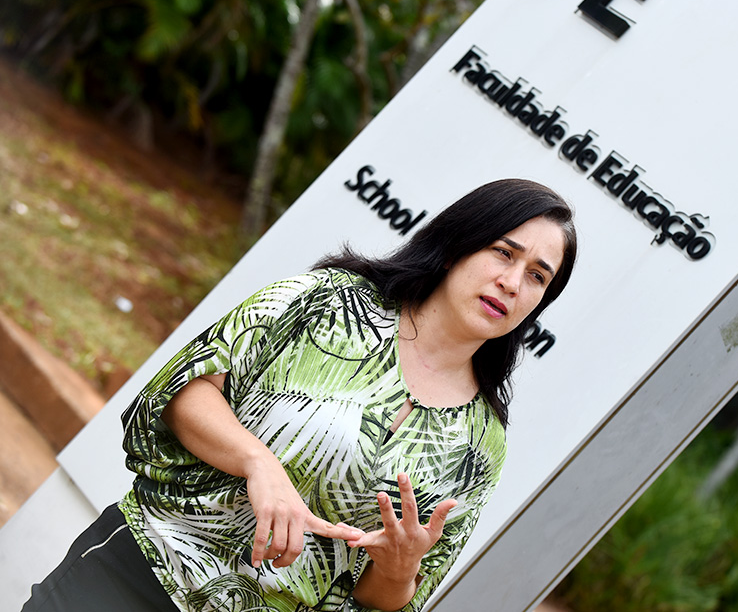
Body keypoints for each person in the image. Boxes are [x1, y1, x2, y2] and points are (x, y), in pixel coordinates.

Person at [23, 178, 577, 612]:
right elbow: (185, 390)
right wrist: (257, 462)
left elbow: (383, 601)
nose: (512, 281)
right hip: (139, 574)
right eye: (504, 253)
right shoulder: (329, 302)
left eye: (537, 276)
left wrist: (400, 567)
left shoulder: (484, 444)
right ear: (460, 242)